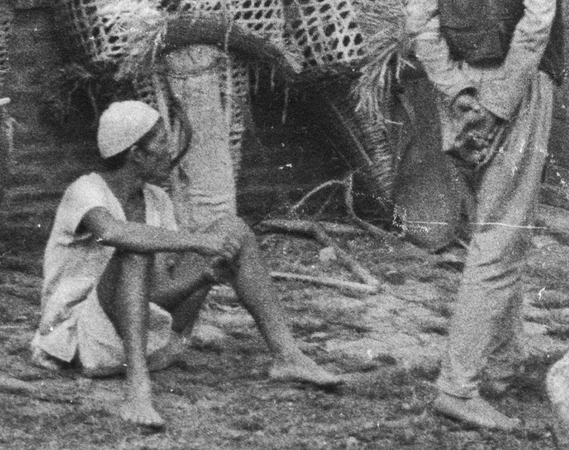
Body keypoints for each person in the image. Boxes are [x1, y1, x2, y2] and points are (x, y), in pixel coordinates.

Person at [31, 98, 346, 424]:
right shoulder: (84, 190)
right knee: (134, 247)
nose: (170, 150)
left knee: (233, 229)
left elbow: (157, 295)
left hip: (140, 337)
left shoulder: (158, 200)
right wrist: (199, 241)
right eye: (162, 142)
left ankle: (287, 355)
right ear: (136, 153)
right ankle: (138, 391)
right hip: (81, 340)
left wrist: (204, 278)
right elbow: (113, 232)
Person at [402, 0, 558, 434]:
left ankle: (499, 360)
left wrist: (454, 92)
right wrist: (496, 103)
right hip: (510, 92)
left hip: (457, 90)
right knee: (498, 235)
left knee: (494, 225)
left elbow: (419, 16)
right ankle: (459, 385)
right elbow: (537, 20)